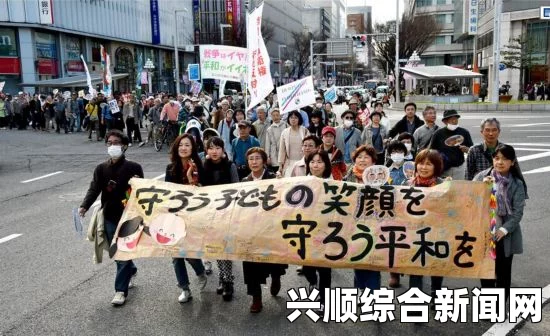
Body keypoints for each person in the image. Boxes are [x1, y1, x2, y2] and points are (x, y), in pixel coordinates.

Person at [79, 130, 144, 306]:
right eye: (110, 143)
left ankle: (120, 291)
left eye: (116, 143)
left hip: (129, 217)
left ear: (124, 146)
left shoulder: (134, 167)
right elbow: (94, 189)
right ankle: (131, 269)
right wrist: (84, 205)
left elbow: (142, 192)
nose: (113, 146)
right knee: (115, 251)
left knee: (122, 252)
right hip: (109, 215)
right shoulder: (101, 168)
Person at [474, 144, 527, 303]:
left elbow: (518, 212)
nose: (500, 162)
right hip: (484, 231)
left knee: (503, 271)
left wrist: (503, 230)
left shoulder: (517, 183)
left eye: (505, 159)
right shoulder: (482, 177)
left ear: (512, 162)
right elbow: (470, 201)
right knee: (486, 269)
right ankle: (489, 301)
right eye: (497, 158)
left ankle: (501, 301)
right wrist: (482, 188)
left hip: (504, 234)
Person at [241, 147, 288, 313]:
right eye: (251, 159)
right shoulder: (244, 181)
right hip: (251, 229)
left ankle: (276, 277)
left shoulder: (274, 179)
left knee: (274, 259)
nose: (254, 162)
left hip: (271, 228)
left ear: (264, 161)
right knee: (251, 263)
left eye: (257, 158)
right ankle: (256, 297)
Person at [164, 134, 209, 303]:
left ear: (192, 148)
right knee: (176, 255)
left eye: (187, 145)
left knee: (190, 253)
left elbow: (202, 192)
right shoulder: (170, 168)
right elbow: (167, 191)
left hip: (194, 216)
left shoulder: (200, 167)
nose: (183, 148)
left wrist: (191, 177)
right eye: (181, 145)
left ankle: (200, 272)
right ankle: (184, 288)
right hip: (175, 216)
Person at [201, 136, 240, 301]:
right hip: (210, 213)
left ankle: (228, 281)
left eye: (217, 148)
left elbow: (238, 188)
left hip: (227, 213)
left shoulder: (230, 166)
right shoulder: (204, 166)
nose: (214, 151)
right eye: (211, 148)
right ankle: (222, 278)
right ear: (207, 151)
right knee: (216, 247)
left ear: (223, 150)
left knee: (226, 248)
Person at [407, 149, 446, 303]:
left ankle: (436, 293)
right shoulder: (407, 184)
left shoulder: (444, 185)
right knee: (415, 267)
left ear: (436, 166)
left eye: (428, 164)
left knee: (437, 264)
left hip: (437, 232)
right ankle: (415, 300)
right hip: (413, 233)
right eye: (421, 163)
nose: (423, 167)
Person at [343, 145, 381, 293]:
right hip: (353, 225)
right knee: (357, 257)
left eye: (366, 157)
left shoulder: (380, 177)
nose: (362, 160)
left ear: (373, 161)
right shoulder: (348, 176)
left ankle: (373, 292)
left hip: (375, 225)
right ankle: (359, 288)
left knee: (373, 260)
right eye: (359, 157)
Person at [301, 149, 333, 312]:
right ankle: (313, 282)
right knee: (307, 265)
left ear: (326, 164)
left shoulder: (334, 183)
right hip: (307, 231)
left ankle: (324, 299)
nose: (316, 165)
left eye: (320, 162)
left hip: (328, 232)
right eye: (312, 162)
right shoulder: (302, 182)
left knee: (325, 268)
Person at [428, 110, 473, 180]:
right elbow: (431, 151)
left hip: (459, 168)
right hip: (443, 169)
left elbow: (472, 150)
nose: (454, 121)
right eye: (452, 119)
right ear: (445, 121)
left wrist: (467, 149)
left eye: (456, 119)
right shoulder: (438, 134)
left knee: (459, 189)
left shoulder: (464, 132)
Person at [277, 111, 310, 177]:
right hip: (289, 163)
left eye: (295, 118)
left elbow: (309, 147)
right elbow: (282, 150)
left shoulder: (305, 131)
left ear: (299, 119)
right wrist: (280, 165)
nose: (293, 119)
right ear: (288, 119)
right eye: (291, 117)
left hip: (302, 162)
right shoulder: (285, 132)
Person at [264, 108, 287, 174]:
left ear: (280, 115)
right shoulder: (269, 129)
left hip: (285, 152)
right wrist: (267, 156)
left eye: (277, 115)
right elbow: (267, 144)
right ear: (271, 117)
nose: (275, 117)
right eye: (273, 115)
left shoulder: (285, 125)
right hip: (274, 154)